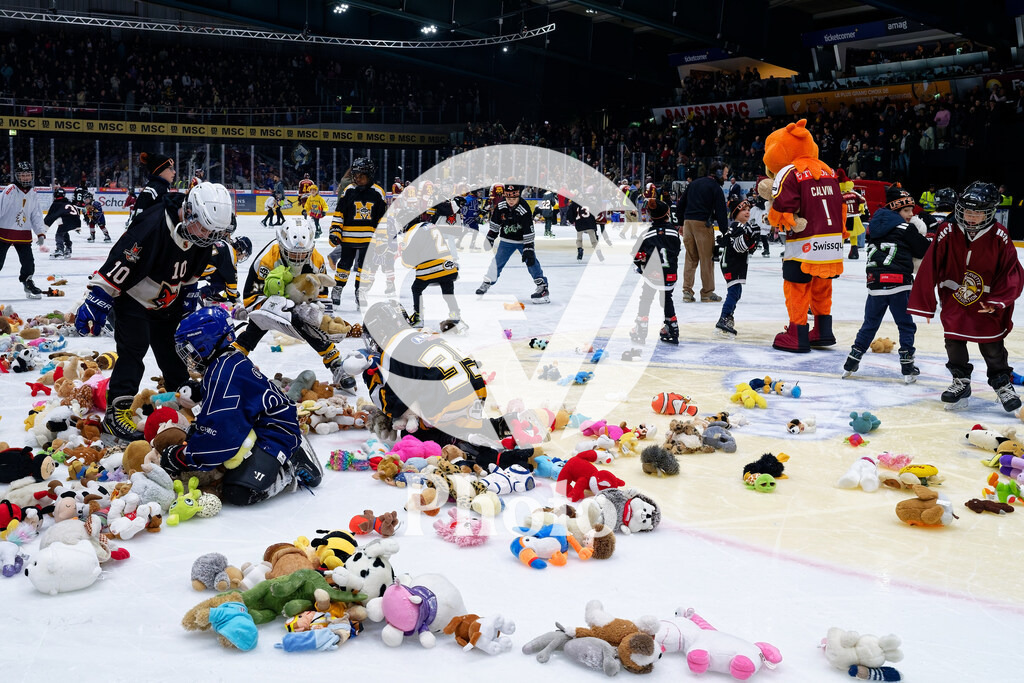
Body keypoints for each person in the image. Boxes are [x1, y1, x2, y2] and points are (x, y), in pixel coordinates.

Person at [74, 182, 235, 442]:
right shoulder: (152, 225)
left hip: (167, 301)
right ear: (189, 212)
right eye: (204, 228)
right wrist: (98, 298)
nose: (208, 236)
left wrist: (189, 296)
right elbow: (121, 262)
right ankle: (117, 414)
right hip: (134, 298)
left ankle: (183, 402)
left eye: (213, 232)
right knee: (133, 350)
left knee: (174, 353)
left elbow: (193, 271)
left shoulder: (202, 234)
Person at [160, 307, 323, 506]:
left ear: (204, 344)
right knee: (203, 442)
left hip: (276, 432)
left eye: (190, 348)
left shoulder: (223, 374)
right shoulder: (225, 361)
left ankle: (291, 461)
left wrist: (183, 456)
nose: (189, 356)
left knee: (239, 492)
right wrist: (200, 390)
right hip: (258, 424)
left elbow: (221, 435)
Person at [909, 182, 1024, 411]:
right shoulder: (947, 231)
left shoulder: (1000, 235)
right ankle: (960, 381)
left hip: (986, 302)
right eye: (968, 211)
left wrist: (998, 301)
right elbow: (930, 264)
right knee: (954, 340)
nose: (971, 217)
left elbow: (1011, 271)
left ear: (989, 212)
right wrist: (925, 301)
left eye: (977, 212)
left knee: (992, 344)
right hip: (954, 297)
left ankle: (1001, 382)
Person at [235, 219, 357, 393]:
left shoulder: (316, 259)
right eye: (292, 254)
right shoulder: (266, 260)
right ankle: (234, 356)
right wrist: (280, 309)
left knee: (314, 328)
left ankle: (336, 365)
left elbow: (321, 295)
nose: (298, 259)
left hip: (301, 302)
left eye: (302, 254)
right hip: (270, 300)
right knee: (256, 326)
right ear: (281, 245)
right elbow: (250, 297)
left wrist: (323, 320)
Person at [359, 301, 499, 442]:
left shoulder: (392, 348)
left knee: (411, 435)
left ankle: (456, 440)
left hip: (447, 401)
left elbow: (394, 406)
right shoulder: (425, 334)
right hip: (477, 393)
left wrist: (371, 376)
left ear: (381, 331)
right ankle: (499, 424)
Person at [843, 187, 931, 382]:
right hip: (899, 283)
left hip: (875, 284)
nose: (911, 215)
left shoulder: (874, 228)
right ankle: (907, 365)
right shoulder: (905, 228)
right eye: (907, 211)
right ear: (895, 209)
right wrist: (917, 229)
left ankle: (852, 361)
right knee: (906, 326)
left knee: (869, 325)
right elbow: (925, 249)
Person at [475, 184, 549, 304]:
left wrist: (529, 248)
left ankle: (542, 286)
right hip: (506, 240)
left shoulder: (524, 208)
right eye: (508, 198)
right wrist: (490, 238)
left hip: (523, 241)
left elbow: (528, 229)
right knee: (497, 263)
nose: (511, 201)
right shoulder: (501, 206)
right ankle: (487, 282)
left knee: (531, 262)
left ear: (518, 196)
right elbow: (495, 223)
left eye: (513, 199)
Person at [328, 157, 386, 309]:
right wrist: (335, 231)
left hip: (369, 238)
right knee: (344, 265)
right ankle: (337, 288)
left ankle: (361, 292)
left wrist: (382, 240)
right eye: (355, 175)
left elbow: (382, 219)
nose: (357, 179)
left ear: (370, 175)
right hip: (348, 237)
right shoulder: (348, 191)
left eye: (361, 176)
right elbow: (339, 213)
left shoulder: (378, 193)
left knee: (365, 267)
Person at [676, 163, 729, 303]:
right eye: (725, 173)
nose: (726, 176)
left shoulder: (693, 184)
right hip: (702, 225)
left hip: (688, 224)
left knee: (691, 258)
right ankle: (707, 292)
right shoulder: (715, 188)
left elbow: (680, 204)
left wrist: (681, 223)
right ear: (717, 173)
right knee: (707, 259)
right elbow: (721, 211)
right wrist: (725, 231)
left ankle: (687, 291)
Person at [630, 199, 681, 345]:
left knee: (646, 298)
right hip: (670, 274)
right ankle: (672, 327)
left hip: (652, 275)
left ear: (651, 216)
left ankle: (641, 327)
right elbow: (676, 251)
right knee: (667, 298)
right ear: (667, 214)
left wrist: (641, 265)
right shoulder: (674, 233)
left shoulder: (647, 234)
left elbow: (636, 255)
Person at [401, 221, 463, 332]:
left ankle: (418, 317)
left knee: (416, 288)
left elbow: (408, 258)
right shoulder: (431, 226)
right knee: (447, 291)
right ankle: (455, 315)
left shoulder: (415, 231)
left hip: (431, 265)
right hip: (447, 264)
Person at [0, 161, 47, 299]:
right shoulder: (10, 189)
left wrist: (40, 232)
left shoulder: (32, 193)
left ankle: (27, 282)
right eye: (23, 175)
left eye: (28, 175)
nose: (26, 177)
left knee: (28, 262)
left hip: (23, 233)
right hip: (4, 232)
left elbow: (36, 214)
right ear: (17, 176)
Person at [714, 198, 760, 337]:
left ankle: (727, 317)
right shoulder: (737, 227)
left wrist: (752, 239)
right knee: (734, 292)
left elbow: (748, 249)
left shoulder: (740, 227)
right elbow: (738, 247)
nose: (747, 212)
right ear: (735, 213)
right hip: (732, 264)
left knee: (736, 292)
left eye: (748, 210)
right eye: (743, 210)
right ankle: (724, 317)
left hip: (733, 263)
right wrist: (749, 237)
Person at [198, 235, 252, 305]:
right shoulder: (231, 255)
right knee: (223, 283)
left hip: (192, 262)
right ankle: (201, 293)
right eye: (244, 255)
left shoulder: (222, 243)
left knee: (218, 273)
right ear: (240, 250)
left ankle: (211, 293)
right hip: (196, 270)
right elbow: (231, 282)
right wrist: (234, 298)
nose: (242, 258)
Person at [128, 152, 175, 227]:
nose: (174, 172)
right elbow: (139, 215)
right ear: (160, 171)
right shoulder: (154, 188)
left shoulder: (161, 187)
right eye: (170, 169)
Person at [44, 186, 80, 261]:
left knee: (59, 234)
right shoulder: (68, 202)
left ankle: (60, 250)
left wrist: (43, 228)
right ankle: (68, 248)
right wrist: (77, 225)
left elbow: (50, 217)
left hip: (67, 219)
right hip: (76, 219)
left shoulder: (56, 204)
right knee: (64, 231)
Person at [838, 170, 866, 259]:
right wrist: (861, 207)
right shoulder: (854, 194)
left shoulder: (839, 195)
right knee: (853, 235)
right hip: (853, 217)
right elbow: (863, 200)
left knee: (842, 235)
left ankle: (839, 253)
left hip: (845, 218)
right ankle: (854, 252)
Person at [565, 197, 603, 263]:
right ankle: (598, 252)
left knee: (579, 239)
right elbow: (598, 213)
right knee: (594, 240)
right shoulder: (590, 204)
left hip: (579, 224)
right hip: (590, 223)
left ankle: (580, 250)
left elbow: (569, 214)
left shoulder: (574, 204)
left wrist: (572, 221)